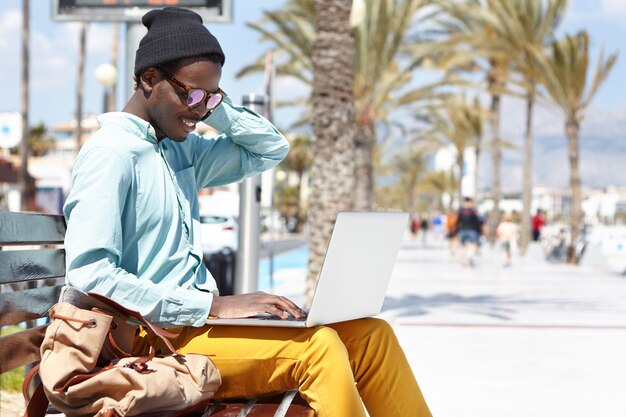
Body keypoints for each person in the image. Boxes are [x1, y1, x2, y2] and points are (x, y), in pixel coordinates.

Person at [62, 7, 431, 417]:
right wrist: (211, 307)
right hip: (154, 339)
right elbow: (89, 274)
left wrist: (210, 102)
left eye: (210, 97)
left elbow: (271, 148)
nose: (200, 111)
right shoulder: (111, 154)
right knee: (319, 349)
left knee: (371, 335)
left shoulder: (179, 148)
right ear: (148, 79)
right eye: (192, 95)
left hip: (196, 330)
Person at [456, 197, 481, 266]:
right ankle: (469, 256)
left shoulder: (461, 211)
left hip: (462, 230)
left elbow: (458, 221)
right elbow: (477, 222)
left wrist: (457, 230)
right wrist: (479, 231)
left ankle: (463, 259)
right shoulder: (473, 211)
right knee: (473, 245)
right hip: (472, 230)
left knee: (463, 245)